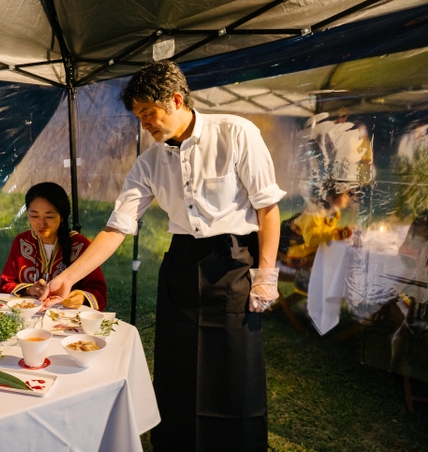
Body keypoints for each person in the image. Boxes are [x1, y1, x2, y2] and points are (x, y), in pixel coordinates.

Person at [40, 60, 285, 451]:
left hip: (233, 264)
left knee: (234, 373)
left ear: (174, 100)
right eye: (138, 116)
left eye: (148, 113)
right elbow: (117, 228)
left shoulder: (236, 133)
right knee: (178, 374)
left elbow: (267, 208)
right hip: (182, 267)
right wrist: (68, 276)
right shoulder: (149, 162)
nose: (144, 125)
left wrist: (266, 275)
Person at [0, 182, 107, 311]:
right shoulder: (22, 242)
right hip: (28, 314)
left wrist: (81, 297)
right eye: (34, 216)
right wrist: (29, 289)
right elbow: (6, 284)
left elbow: (99, 291)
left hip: (65, 319)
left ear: (62, 216)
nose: (41, 223)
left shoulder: (80, 245)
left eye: (49, 216)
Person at [284, 180, 357, 294]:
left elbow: (325, 232)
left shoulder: (334, 213)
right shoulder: (315, 212)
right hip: (297, 250)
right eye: (345, 194)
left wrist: (342, 232)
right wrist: (339, 234)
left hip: (314, 249)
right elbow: (311, 238)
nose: (348, 198)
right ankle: (314, 300)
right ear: (331, 197)